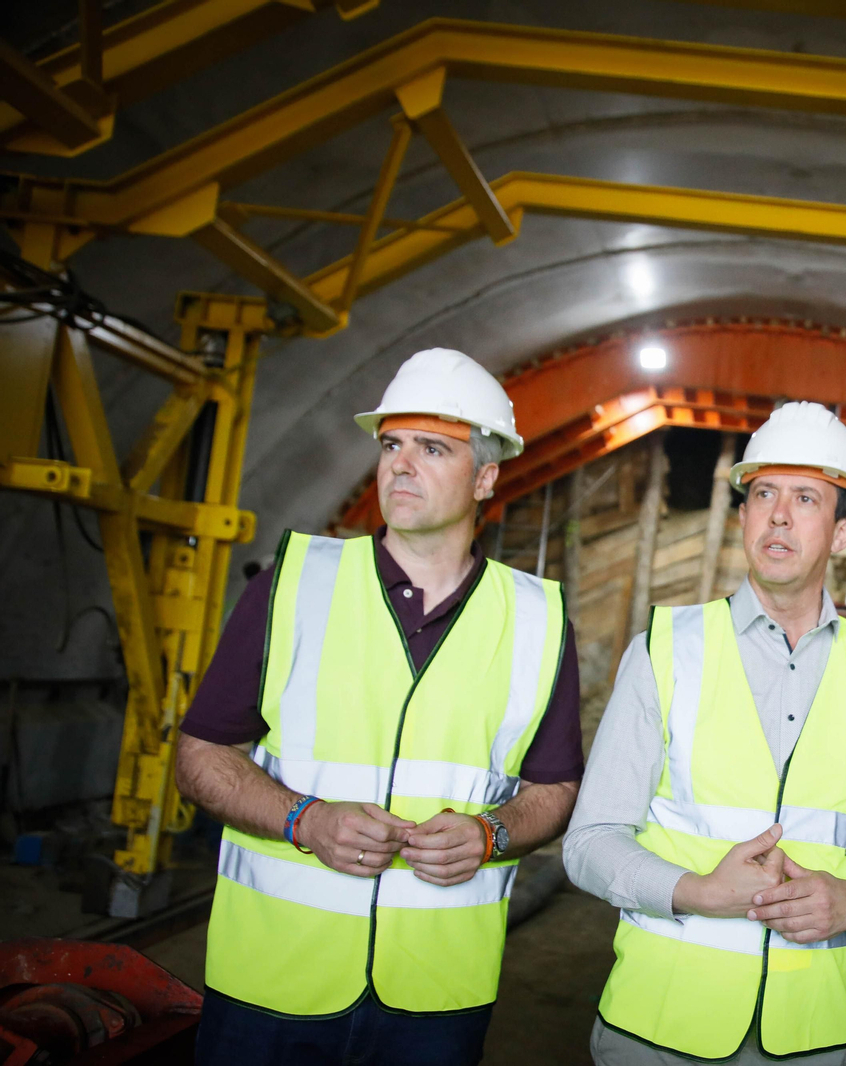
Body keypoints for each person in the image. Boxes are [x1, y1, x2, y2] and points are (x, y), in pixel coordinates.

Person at [175, 348, 584, 1066]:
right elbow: (201, 753)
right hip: (271, 982)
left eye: (433, 448)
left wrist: (490, 834)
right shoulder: (292, 583)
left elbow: (554, 791)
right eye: (392, 444)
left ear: (486, 477)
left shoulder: (538, 620)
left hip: (435, 997)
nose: (401, 464)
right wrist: (306, 820)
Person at [565, 401, 846, 1064]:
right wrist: (696, 891)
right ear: (742, 517)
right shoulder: (665, 649)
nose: (780, 515)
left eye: (806, 498)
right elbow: (591, 844)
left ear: (844, 534)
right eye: (763, 493)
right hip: (656, 1031)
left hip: (807, 1038)